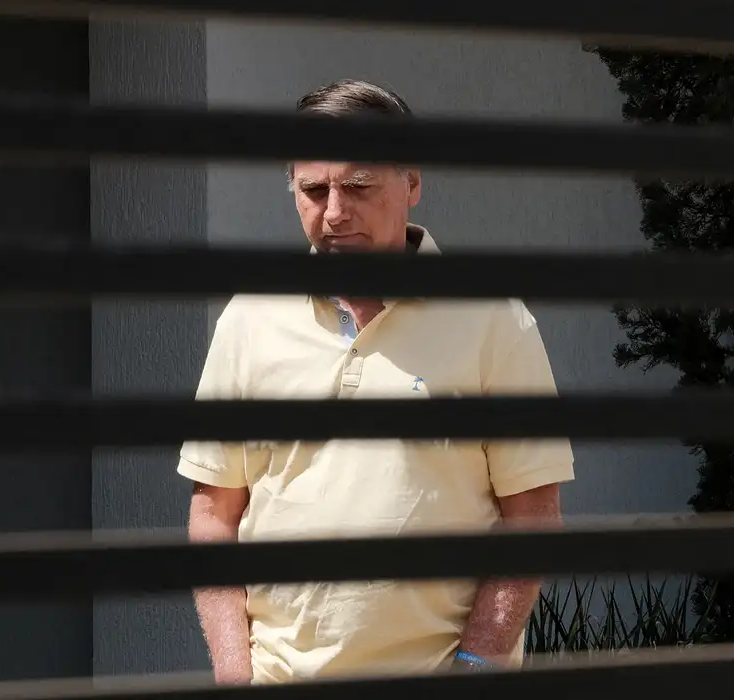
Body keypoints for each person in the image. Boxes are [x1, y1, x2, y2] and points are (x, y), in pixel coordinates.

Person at [177, 79, 575, 684]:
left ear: (411, 183)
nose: (335, 213)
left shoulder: (492, 319)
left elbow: (534, 516)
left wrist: (476, 662)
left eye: (359, 186)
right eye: (313, 190)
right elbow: (214, 517)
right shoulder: (250, 318)